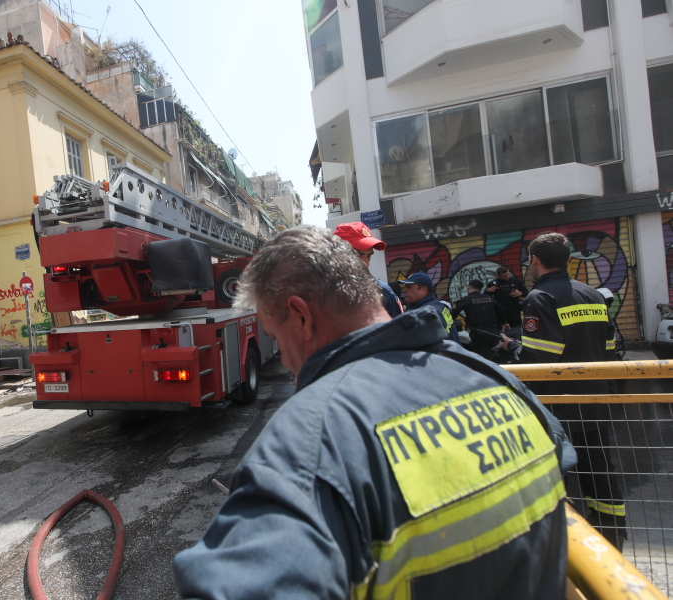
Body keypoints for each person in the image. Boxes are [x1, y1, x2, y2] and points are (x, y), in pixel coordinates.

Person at [174, 226, 575, 600]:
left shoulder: (310, 437)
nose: (286, 359)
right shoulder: (496, 380)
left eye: (275, 335)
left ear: (302, 317)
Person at [500, 231, 626, 550]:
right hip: (595, 401)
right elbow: (609, 350)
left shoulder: (540, 297)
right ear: (569, 260)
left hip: (557, 406)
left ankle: (562, 546)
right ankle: (612, 538)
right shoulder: (593, 295)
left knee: (556, 475)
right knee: (600, 472)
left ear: (535, 260)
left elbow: (540, 358)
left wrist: (512, 348)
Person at [333, 222, 403, 318]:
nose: (366, 263)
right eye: (358, 255)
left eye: (369, 256)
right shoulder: (318, 293)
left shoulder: (383, 293)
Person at [397, 272, 460, 343]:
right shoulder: (437, 305)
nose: (404, 290)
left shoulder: (426, 314)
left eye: (409, 287)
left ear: (423, 290)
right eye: (405, 287)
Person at [451, 279, 507, 359]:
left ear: (469, 287)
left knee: (483, 359)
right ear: (480, 289)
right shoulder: (489, 298)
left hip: (479, 334)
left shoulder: (466, 300)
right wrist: (504, 323)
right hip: (493, 333)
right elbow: (501, 310)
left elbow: (453, 314)